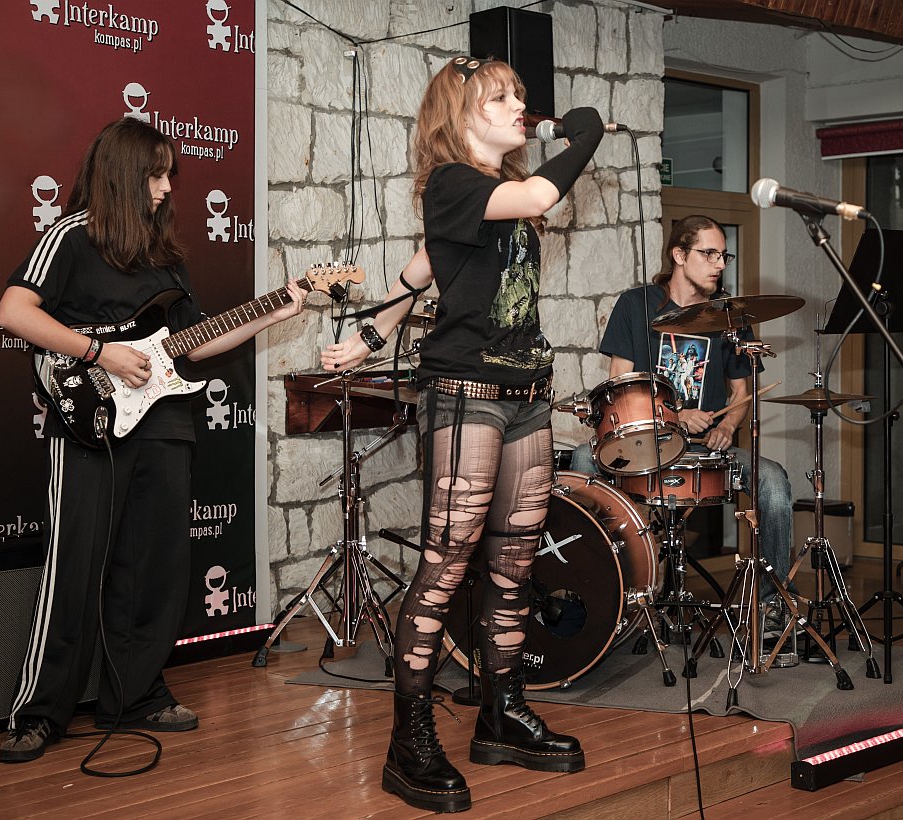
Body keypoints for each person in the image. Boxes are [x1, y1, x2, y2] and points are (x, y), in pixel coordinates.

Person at [321, 56, 604, 813]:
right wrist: (582, 132)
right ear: (460, 115)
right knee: (447, 562)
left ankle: (501, 713)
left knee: (513, 565)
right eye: (500, 97)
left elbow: (425, 267)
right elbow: (541, 190)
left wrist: (372, 332)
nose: (519, 107)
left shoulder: (490, 196)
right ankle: (408, 742)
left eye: (520, 96)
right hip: (466, 391)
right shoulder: (451, 183)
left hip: (528, 395)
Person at [0, 117, 307, 763]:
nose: (166, 188)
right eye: (156, 175)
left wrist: (275, 309)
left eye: (169, 176)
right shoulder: (71, 235)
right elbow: (13, 312)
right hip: (88, 420)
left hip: (164, 423)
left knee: (154, 569)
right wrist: (98, 352)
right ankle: (41, 712)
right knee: (74, 567)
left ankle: (133, 697)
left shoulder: (165, 256)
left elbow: (192, 344)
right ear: (122, 174)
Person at [569, 214, 796, 606]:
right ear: (678, 255)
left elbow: (741, 392)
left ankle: (773, 603)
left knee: (773, 481)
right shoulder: (636, 305)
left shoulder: (730, 316)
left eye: (724, 256)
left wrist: (727, 426)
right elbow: (619, 384)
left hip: (706, 448)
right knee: (582, 462)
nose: (719, 264)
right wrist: (675, 416)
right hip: (646, 442)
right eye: (709, 254)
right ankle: (593, 594)